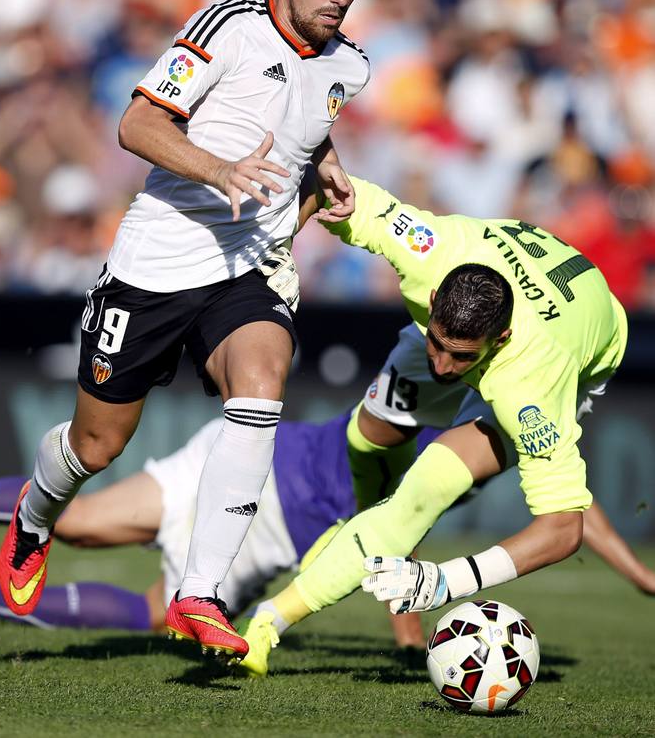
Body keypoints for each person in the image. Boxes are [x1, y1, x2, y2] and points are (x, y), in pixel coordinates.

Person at [0, 0, 374, 658]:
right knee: (96, 446)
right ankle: (35, 515)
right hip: (155, 266)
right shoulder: (227, 24)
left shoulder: (351, 65)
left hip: (245, 269)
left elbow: (305, 118)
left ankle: (197, 592)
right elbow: (136, 125)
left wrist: (326, 168)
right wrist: (219, 168)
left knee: (263, 379)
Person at [235, 174, 629, 675]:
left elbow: (562, 529)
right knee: (367, 436)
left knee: (427, 486)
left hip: (578, 353)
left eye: (459, 356)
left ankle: (268, 620)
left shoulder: (531, 387)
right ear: (437, 293)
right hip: (504, 308)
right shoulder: (428, 250)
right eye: (436, 343)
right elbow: (335, 188)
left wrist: (448, 580)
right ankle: (362, 528)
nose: (442, 368)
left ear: (500, 337)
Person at [0, 414, 651, 642]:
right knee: (156, 611)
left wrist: (641, 577)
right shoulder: (495, 430)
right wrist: (409, 632)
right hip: (278, 510)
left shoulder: (454, 383)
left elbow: (576, 507)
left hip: (251, 450)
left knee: (75, 525)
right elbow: (391, 519)